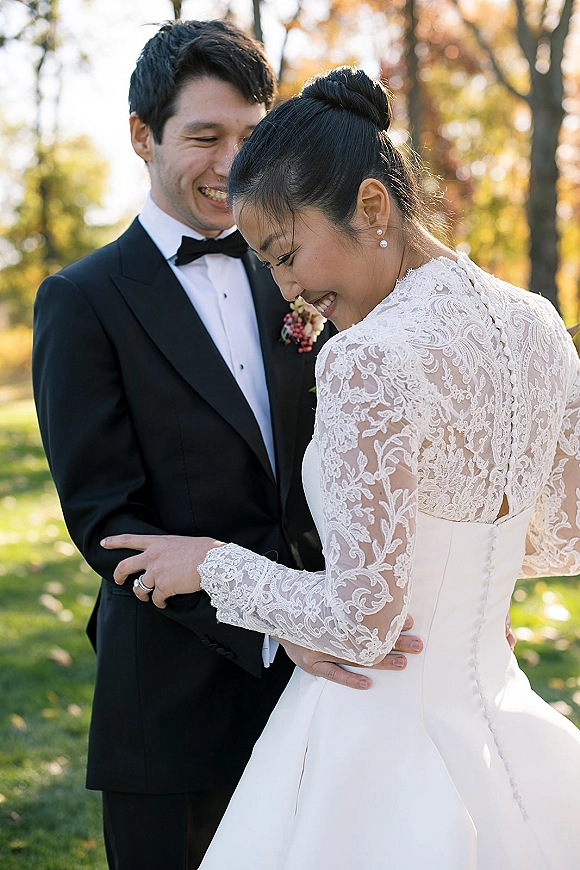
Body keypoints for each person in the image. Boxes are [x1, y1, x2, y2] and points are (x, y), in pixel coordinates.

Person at [103, 66, 580, 868]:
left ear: (371, 204)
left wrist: (213, 565)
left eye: (286, 254)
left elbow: (363, 626)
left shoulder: (368, 356)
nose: (289, 290)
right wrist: (458, 584)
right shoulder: (534, 320)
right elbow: (566, 540)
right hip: (495, 716)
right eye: (269, 268)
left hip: (377, 740)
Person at [32, 26, 422, 870]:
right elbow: (108, 523)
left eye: (252, 134)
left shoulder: (303, 262)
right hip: (173, 707)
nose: (233, 162)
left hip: (332, 692)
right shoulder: (81, 300)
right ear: (143, 136)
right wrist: (277, 630)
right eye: (206, 137)